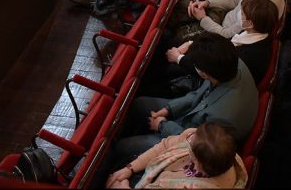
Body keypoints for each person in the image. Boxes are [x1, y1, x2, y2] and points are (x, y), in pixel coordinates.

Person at [114, 33, 258, 161]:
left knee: (122, 147)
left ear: (204, 73)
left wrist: (162, 126)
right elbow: (199, 94)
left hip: (193, 144)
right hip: (193, 119)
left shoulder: (223, 116)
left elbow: (196, 142)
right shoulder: (233, 64)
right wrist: (169, 109)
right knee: (139, 104)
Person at [107, 121, 247, 189]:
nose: (188, 136)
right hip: (152, 173)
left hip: (148, 181)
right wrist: (130, 168)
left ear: (198, 163)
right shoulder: (214, 146)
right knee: (122, 153)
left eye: (190, 141)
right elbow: (165, 145)